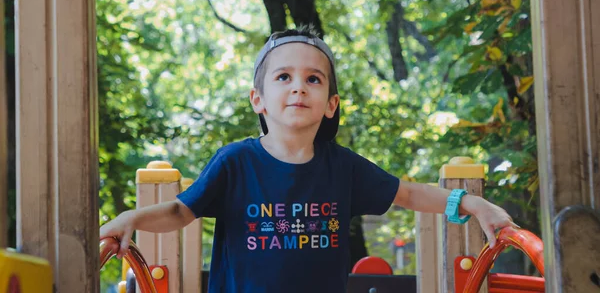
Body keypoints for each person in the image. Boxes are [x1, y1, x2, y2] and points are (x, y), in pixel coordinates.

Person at [100, 26, 516, 292]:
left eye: (312, 79)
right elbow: (179, 210)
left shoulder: (344, 167)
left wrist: (472, 203)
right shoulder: (234, 163)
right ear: (258, 99)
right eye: (284, 77)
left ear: (331, 103)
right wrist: (130, 219)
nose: (299, 87)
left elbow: (407, 193)